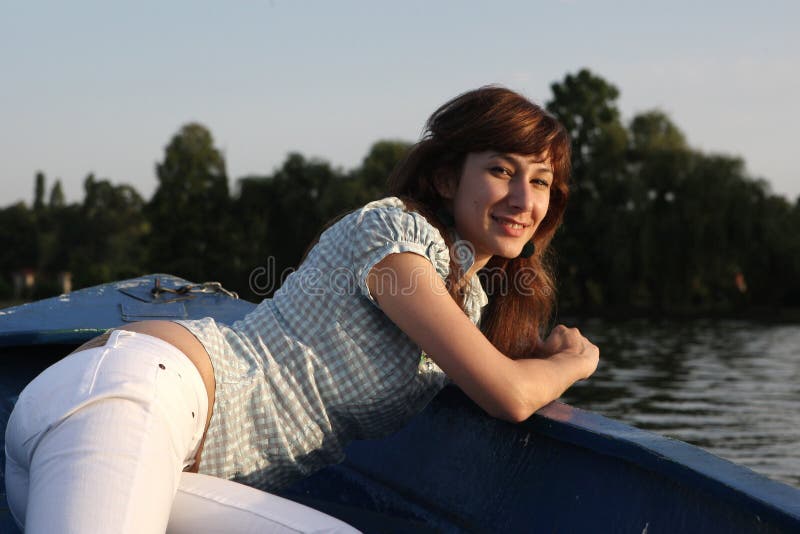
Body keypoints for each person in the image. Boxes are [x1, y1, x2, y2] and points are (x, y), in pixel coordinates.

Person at [4, 86, 599, 533]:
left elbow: (500, 378)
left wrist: (529, 361)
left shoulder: (465, 297)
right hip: (134, 402)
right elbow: (510, 394)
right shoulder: (394, 233)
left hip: (147, 455)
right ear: (446, 178)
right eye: (502, 170)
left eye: (541, 181)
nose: (525, 199)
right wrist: (573, 360)